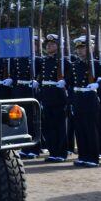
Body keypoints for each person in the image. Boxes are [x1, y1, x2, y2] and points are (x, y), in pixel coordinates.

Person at [66, 36, 101, 167]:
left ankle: (92, 158)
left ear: (90, 48)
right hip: (78, 99)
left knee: (91, 129)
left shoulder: (96, 63)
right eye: (78, 48)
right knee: (80, 129)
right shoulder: (75, 65)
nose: (80, 51)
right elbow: (69, 82)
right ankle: (83, 156)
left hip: (90, 99)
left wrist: (98, 84)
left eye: (83, 48)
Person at [37, 34, 68, 162]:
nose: (49, 46)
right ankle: (53, 151)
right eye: (48, 44)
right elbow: (41, 77)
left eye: (52, 44)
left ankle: (61, 153)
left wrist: (65, 81)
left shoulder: (63, 60)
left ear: (58, 46)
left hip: (58, 96)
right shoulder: (44, 60)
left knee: (60, 126)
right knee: (49, 126)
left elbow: (72, 76)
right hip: (47, 96)